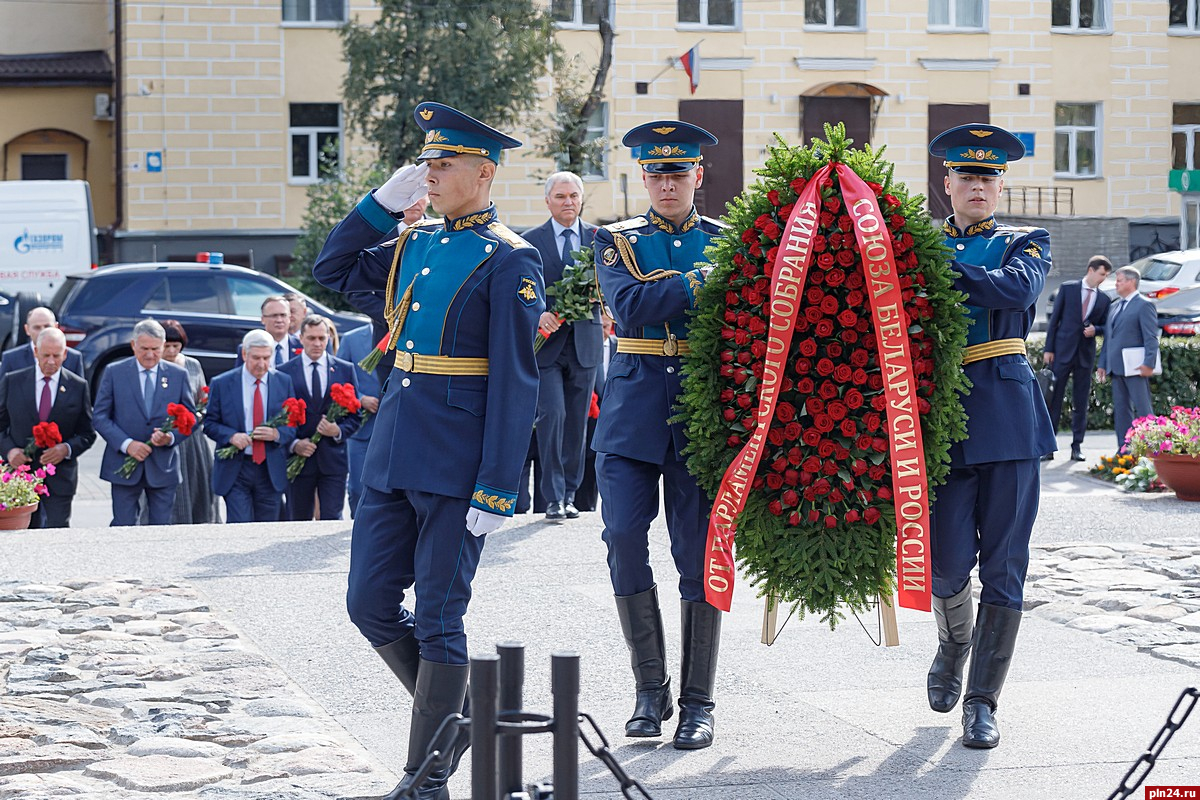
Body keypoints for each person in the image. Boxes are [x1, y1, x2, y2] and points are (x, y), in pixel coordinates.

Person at [312, 101, 543, 799]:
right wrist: (381, 207)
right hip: (394, 452)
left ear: (483, 171)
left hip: (456, 462)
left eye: (441, 166)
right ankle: (460, 720)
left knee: (441, 618)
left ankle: (427, 777)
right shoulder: (415, 244)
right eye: (425, 166)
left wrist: (499, 484)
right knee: (369, 604)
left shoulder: (512, 257)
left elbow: (516, 380)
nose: (429, 176)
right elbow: (332, 267)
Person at [592, 121, 726, 751]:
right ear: (643, 178)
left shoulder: (729, 241)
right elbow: (632, 309)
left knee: (699, 559)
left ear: (698, 176)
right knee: (621, 538)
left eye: (679, 173)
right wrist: (701, 282)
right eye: (656, 173)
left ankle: (698, 701)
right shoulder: (615, 240)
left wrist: (662, 292)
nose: (667, 183)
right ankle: (651, 692)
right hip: (631, 415)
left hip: (700, 413)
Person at [925, 124, 1057, 749]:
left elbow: (1016, 289)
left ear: (1001, 185)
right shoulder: (919, 243)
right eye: (966, 176)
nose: (978, 185)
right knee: (946, 561)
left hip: (1007, 416)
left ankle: (983, 700)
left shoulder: (1026, 240)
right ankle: (955, 641)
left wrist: (934, 265)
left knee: (1005, 565)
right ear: (946, 183)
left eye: (989, 177)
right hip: (943, 416)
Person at [522, 171, 601, 520]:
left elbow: (611, 285)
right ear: (547, 201)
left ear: (581, 200)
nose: (568, 202)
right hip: (547, 346)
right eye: (561, 196)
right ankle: (552, 497)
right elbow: (522, 290)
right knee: (552, 415)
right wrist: (539, 314)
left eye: (573, 196)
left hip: (585, 343)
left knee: (577, 424)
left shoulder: (601, 239)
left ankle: (570, 493)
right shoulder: (530, 241)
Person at [93, 319, 195, 526]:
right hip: (124, 464)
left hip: (162, 465)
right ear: (133, 345)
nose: (150, 355)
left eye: (155, 349)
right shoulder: (114, 372)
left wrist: (170, 437)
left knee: (160, 529)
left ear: (163, 345)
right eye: (144, 349)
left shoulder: (178, 375)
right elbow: (100, 416)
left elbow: (190, 418)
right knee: (123, 525)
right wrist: (126, 444)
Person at [0, 327, 95, 528]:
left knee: (56, 535)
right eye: (45, 355)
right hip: (21, 479)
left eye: (56, 356)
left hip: (59, 479)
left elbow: (87, 433)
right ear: (35, 351)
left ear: (65, 354)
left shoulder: (78, 386)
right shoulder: (13, 381)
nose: (51, 361)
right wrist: (10, 451)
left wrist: (66, 449)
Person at [205, 329, 299, 522]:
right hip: (236, 469)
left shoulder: (283, 382)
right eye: (256, 358)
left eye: (267, 358)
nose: (262, 364)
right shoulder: (222, 383)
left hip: (269, 468)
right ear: (244, 354)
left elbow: (293, 424)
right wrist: (231, 436)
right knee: (240, 528)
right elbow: (209, 424)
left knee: (266, 530)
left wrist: (276, 434)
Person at [279, 314, 360, 521]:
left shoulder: (345, 369)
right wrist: (294, 443)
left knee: (332, 518)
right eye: (312, 338)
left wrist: (338, 431)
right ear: (301, 339)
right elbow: (279, 416)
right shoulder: (284, 372)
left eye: (322, 338)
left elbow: (355, 415)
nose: (317, 343)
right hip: (300, 459)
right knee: (298, 519)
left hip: (333, 459)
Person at [1043, 256, 1113, 461]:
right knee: (1053, 401)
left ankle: (1077, 446)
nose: (1103, 279)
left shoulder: (1104, 299)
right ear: (1091, 270)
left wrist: (1096, 329)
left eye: (1106, 276)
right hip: (1062, 352)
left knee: (1080, 402)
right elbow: (1054, 320)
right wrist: (1049, 349)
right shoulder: (1067, 289)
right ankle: (1049, 446)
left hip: (1085, 355)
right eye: (1101, 274)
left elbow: (1106, 326)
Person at [161, 319, 219, 524]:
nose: (170, 351)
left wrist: (196, 416)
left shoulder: (192, 365)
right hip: (164, 434)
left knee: (196, 484)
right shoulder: (154, 367)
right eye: (166, 346)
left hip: (191, 436)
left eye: (175, 346)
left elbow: (203, 398)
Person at [1097, 266, 1160, 453]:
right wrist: (1103, 364)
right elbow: (1109, 338)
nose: (1116, 284)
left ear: (1132, 282)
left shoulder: (1144, 305)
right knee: (1122, 412)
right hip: (1117, 368)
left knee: (1143, 410)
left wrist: (1149, 363)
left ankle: (1153, 449)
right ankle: (1124, 450)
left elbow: (1151, 338)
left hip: (1136, 368)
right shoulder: (1115, 306)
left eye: (1120, 280)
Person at [336, 324, 383, 518]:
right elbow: (338, 379)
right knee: (357, 488)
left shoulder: (405, 332)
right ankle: (358, 526)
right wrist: (360, 398)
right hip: (361, 426)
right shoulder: (351, 338)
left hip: (395, 425)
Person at [0, 307, 85, 383]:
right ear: (27, 329)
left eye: (47, 326)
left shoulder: (73, 359)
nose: (42, 331)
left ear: (56, 327)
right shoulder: (12, 359)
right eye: (37, 327)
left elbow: (79, 394)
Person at [233, 296, 301, 369]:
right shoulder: (249, 347)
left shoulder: (302, 346)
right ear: (263, 319)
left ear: (289, 318)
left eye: (283, 315)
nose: (279, 320)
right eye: (274, 316)